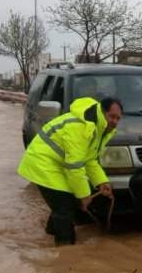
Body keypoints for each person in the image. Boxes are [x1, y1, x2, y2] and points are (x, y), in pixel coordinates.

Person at [18, 97, 122, 245]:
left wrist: (101, 182)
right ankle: (65, 251)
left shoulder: (98, 128)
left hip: (57, 164)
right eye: (112, 116)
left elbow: (90, 160)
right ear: (102, 112)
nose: (115, 122)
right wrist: (84, 196)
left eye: (118, 118)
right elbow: (74, 166)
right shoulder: (81, 126)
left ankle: (50, 233)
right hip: (43, 163)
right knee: (64, 207)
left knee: (66, 203)